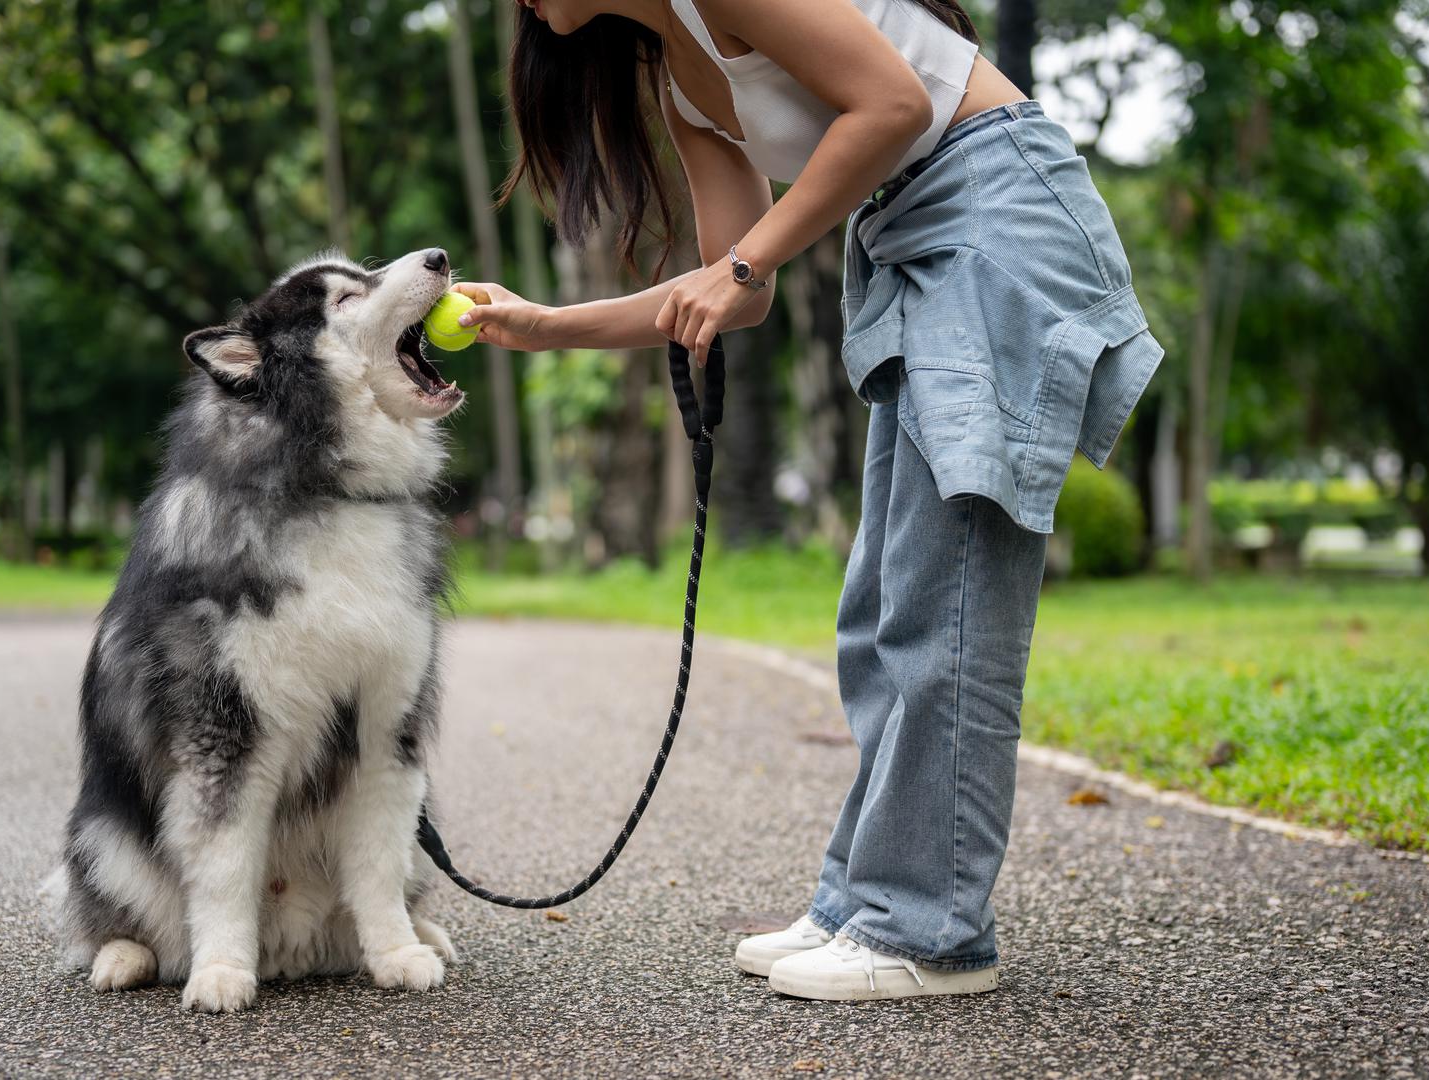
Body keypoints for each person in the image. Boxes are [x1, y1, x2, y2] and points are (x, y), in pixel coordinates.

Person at [453, 0, 1162, 1002]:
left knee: (943, 603)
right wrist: (543, 324)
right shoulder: (678, 80)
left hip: (993, 209)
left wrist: (749, 262)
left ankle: (928, 931)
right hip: (910, 234)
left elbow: (891, 103)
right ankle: (863, 903)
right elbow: (736, 289)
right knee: (879, 614)